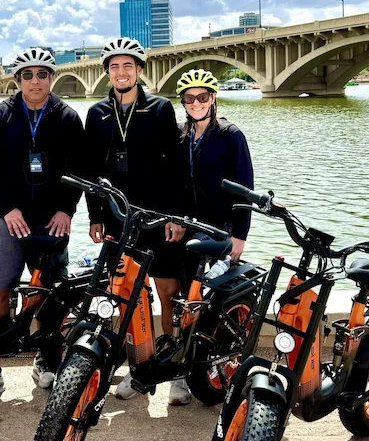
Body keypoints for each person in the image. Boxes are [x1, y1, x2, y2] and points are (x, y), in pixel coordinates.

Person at [0, 47, 85, 404]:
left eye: (42, 74)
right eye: (27, 75)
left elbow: (80, 170)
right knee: (1, 291)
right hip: (11, 220)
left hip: (52, 222)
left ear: (51, 78)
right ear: (17, 79)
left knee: (52, 296)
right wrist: (6, 209)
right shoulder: (0, 116)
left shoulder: (68, 117)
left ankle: (45, 359)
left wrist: (66, 210)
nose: (35, 81)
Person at [83, 37, 189, 405]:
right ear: (107, 73)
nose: (121, 72)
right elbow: (91, 170)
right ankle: (138, 368)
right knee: (123, 294)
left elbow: (175, 168)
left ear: (140, 71)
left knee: (168, 292)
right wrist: (95, 214)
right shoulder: (96, 113)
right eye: (114, 66)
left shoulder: (160, 109)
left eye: (128, 65)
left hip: (157, 218)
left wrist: (176, 217)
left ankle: (175, 370)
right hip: (116, 218)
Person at [175, 69, 254, 278]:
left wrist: (240, 235)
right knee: (188, 292)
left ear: (213, 98)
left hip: (222, 227)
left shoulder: (230, 135)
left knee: (221, 294)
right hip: (189, 224)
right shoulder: (180, 134)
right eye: (189, 98)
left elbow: (245, 189)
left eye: (202, 97)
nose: (196, 103)